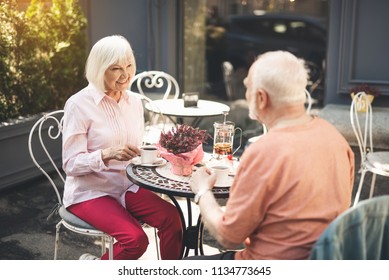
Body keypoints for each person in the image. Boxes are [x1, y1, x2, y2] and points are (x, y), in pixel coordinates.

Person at [187, 50, 355, 260]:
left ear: (261, 98)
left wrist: (202, 191)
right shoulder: (335, 138)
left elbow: (228, 236)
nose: (245, 94)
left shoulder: (264, 151)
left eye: (247, 87)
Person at [62, 35, 183, 260]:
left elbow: (136, 147)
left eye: (129, 65)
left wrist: (163, 153)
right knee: (135, 240)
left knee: (174, 220)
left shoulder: (134, 102)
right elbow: (70, 165)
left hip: (128, 187)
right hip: (91, 192)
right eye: (116, 68)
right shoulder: (78, 105)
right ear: (100, 70)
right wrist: (106, 155)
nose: (126, 74)